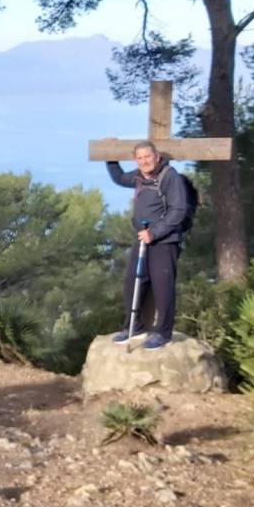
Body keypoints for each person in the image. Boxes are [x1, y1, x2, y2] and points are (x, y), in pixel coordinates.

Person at [107, 141, 187, 350]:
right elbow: (119, 178)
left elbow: (178, 210)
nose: (144, 161)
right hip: (143, 239)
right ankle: (134, 327)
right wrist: (110, 157)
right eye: (140, 158)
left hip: (165, 241)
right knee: (133, 282)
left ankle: (163, 333)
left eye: (147, 157)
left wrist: (155, 232)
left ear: (157, 156)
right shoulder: (139, 176)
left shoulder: (170, 176)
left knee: (163, 287)